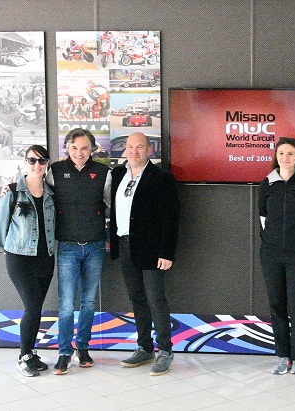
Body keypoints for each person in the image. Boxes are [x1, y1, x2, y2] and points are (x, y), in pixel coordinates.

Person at [109, 132, 180, 376]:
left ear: (149, 149)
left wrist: (166, 252)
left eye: (139, 147)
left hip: (152, 249)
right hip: (125, 245)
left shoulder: (162, 178)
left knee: (155, 299)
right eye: (130, 147)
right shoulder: (118, 174)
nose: (134, 151)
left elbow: (171, 218)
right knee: (137, 298)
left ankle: (165, 351)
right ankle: (144, 348)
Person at [48, 128, 111, 375]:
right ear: (66, 148)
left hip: (95, 246)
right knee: (66, 304)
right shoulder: (54, 171)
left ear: (92, 149)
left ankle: (82, 348)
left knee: (88, 302)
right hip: (66, 247)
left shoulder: (104, 172)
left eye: (84, 148)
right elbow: (37, 191)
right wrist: (10, 187)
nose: (79, 152)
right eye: (74, 148)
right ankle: (64, 352)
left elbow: (111, 204)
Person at [258, 137, 295, 375]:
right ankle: (282, 356)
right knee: (277, 305)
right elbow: (263, 218)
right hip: (271, 255)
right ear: (276, 156)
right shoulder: (267, 184)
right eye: (281, 153)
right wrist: (271, 243)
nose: (285, 158)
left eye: (290, 153)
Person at [0, 146, 55, 377]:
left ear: (47, 164)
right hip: (20, 258)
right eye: (32, 160)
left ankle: (31, 352)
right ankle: (24, 356)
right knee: (32, 306)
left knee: (37, 308)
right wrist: (4, 248)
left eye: (42, 161)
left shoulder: (51, 193)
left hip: (46, 258)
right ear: (25, 162)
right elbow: (0, 223)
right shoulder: (12, 191)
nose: (37, 165)